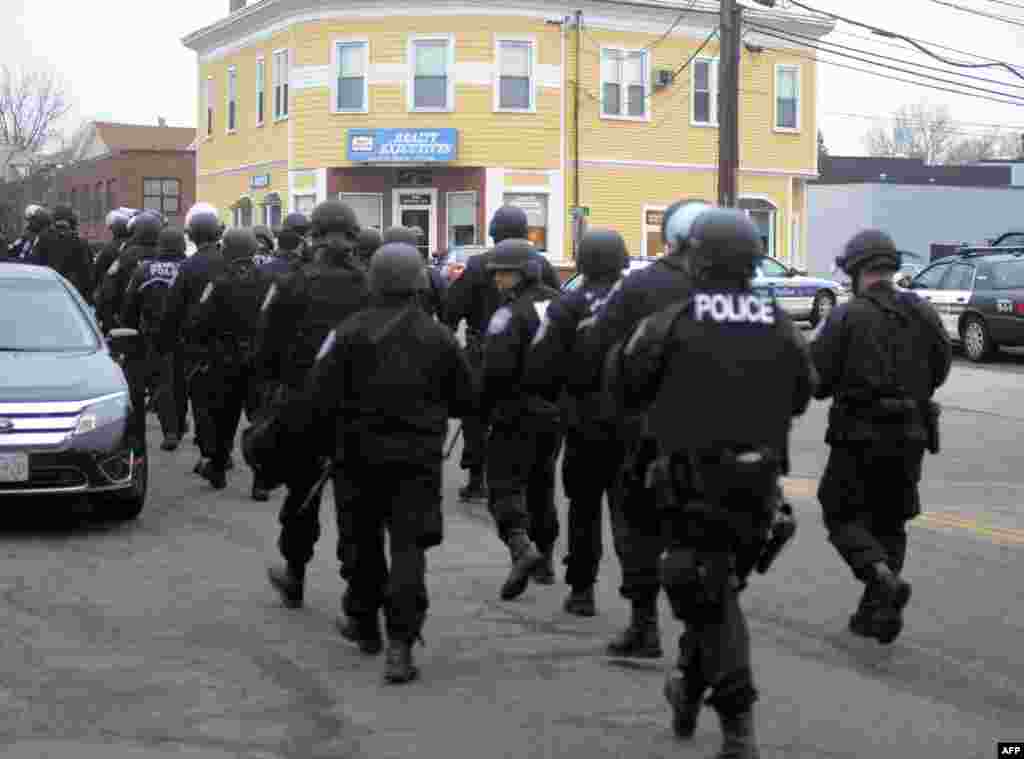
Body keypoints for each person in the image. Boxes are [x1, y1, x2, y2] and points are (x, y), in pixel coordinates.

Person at [609, 207, 815, 758]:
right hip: (758, 492)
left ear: (697, 259)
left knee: (709, 598)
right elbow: (802, 393)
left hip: (689, 490)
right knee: (713, 595)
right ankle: (686, 688)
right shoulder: (780, 325)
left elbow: (625, 384)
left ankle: (738, 726)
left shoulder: (668, 323)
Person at [266, 242, 477, 683]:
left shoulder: (347, 332)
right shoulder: (437, 336)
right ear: (419, 280)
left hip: (356, 456)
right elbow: (465, 398)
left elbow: (318, 395)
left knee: (361, 545)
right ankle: (400, 647)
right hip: (417, 460)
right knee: (408, 549)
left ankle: (364, 624)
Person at [579, 198, 711, 659]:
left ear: (671, 237)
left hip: (645, 426)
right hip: (715, 432)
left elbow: (597, 341)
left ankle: (645, 624)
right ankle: (706, 634)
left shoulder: (641, 286)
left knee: (636, 527)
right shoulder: (739, 292)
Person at [812, 229, 951, 645]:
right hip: (912, 434)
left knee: (839, 511)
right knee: (891, 522)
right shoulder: (923, 311)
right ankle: (878, 610)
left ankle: (879, 577)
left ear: (856, 270)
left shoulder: (847, 316)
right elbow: (941, 367)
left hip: (859, 435)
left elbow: (817, 380)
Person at [262, 200, 369, 603]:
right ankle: (359, 596)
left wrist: (274, 393)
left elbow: (266, 344)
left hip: (304, 408)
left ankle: (295, 575)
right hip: (358, 412)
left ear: (315, 235)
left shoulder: (293, 283)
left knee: (301, 495)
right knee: (356, 505)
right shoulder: (371, 284)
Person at [523, 228, 629, 616]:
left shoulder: (568, 306)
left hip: (583, 422)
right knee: (629, 512)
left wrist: (557, 395)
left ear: (582, 261)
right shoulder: (640, 302)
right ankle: (641, 605)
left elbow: (539, 367)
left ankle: (582, 590)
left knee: (583, 508)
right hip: (632, 423)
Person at [443, 205, 562, 503]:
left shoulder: (478, 264)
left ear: (494, 232)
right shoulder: (541, 266)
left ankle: (476, 478)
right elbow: (560, 307)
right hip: (533, 353)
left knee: (477, 415)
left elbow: (452, 308)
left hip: (483, 350)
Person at [479, 238, 563, 600]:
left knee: (503, 486)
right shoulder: (561, 304)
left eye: (504, 274)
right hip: (554, 413)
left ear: (524, 273)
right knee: (542, 485)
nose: (498, 281)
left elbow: (495, 369)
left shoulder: (508, 314)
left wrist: (480, 405)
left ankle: (520, 547)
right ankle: (545, 560)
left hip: (515, 412)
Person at [188, 227, 275, 490]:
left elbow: (199, 320)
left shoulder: (219, 282)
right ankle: (261, 480)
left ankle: (217, 469)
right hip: (259, 361)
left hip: (225, 360)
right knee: (260, 419)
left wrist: (198, 349)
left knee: (223, 419)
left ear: (227, 250)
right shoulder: (268, 281)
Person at [159, 203, 226, 475]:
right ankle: (223, 451)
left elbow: (172, 309)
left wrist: (165, 341)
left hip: (196, 346)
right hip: (229, 343)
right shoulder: (229, 262)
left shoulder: (188, 267)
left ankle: (210, 454)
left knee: (201, 402)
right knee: (224, 400)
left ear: (193, 236)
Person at [121, 226, 189, 451]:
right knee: (181, 382)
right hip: (187, 335)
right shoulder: (189, 268)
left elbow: (130, 305)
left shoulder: (145, 270)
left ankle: (167, 431)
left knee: (160, 381)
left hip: (153, 334)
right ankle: (178, 425)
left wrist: (129, 330)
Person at [96, 210, 164, 331]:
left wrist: (103, 317)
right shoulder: (165, 255)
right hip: (161, 325)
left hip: (128, 323)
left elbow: (108, 289)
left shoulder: (126, 256)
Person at [382, 225, 447, 319]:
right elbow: (445, 310)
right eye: (417, 239)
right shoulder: (430, 274)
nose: (419, 241)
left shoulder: (373, 276)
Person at [32, 204, 94, 302]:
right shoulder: (80, 242)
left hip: (47, 292)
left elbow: (35, 265)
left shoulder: (43, 239)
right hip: (72, 296)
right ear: (72, 221)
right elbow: (88, 274)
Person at [93, 209, 137, 308]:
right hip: (128, 296)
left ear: (114, 230)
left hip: (110, 298)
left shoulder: (107, 249)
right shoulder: (132, 247)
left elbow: (97, 271)